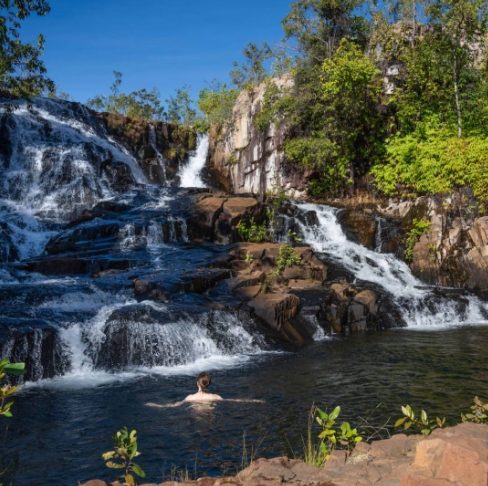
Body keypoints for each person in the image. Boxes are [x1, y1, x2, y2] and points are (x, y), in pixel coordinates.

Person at [145, 372, 263, 409]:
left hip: (195, 413)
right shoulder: (215, 397)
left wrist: (155, 405)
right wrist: (253, 401)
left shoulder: (190, 398)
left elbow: (174, 405)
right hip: (209, 412)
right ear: (209, 384)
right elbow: (234, 400)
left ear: (197, 383)